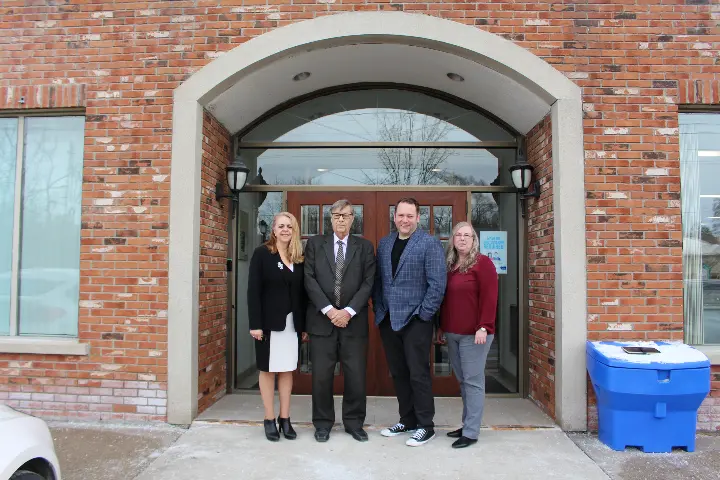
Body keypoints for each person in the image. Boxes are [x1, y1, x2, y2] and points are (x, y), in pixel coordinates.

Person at [372, 197, 447, 447]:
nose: (405, 220)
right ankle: (407, 420)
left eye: (410, 216)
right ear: (394, 217)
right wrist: (380, 309)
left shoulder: (429, 243)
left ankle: (426, 425)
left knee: (418, 374)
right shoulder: (385, 243)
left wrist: (423, 315)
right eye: (401, 215)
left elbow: (437, 284)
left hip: (416, 320)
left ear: (418, 218)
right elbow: (380, 281)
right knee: (399, 373)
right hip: (389, 319)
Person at [304, 199, 376, 443]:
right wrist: (329, 311)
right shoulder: (315, 244)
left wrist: (348, 311)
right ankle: (322, 424)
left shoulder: (364, 247)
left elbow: (369, 282)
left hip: (353, 323)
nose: (341, 220)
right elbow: (309, 279)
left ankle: (354, 423)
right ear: (331, 218)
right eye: (336, 215)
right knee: (321, 377)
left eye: (345, 215)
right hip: (321, 323)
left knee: (356, 377)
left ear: (353, 218)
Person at [437, 222, 498, 448]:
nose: (462, 239)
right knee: (463, 382)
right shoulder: (450, 265)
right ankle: (467, 424)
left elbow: (490, 297)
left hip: (475, 335)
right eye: (458, 235)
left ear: (474, 240)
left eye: (467, 235)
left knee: (473, 382)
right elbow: (446, 300)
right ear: (452, 239)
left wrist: (484, 326)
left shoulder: (483, 264)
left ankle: (471, 432)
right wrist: (441, 327)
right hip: (452, 332)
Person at [248, 212, 307, 442]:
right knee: (268, 369)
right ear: (273, 229)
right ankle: (269, 418)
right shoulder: (262, 254)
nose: (285, 230)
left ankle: (285, 418)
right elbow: (253, 291)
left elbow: (302, 294)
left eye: (289, 227)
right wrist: (255, 324)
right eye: (281, 226)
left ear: (294, 230)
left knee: (287, 369)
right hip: (268, 324)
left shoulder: (298, 257)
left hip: (292, 325)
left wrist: (304, 325)